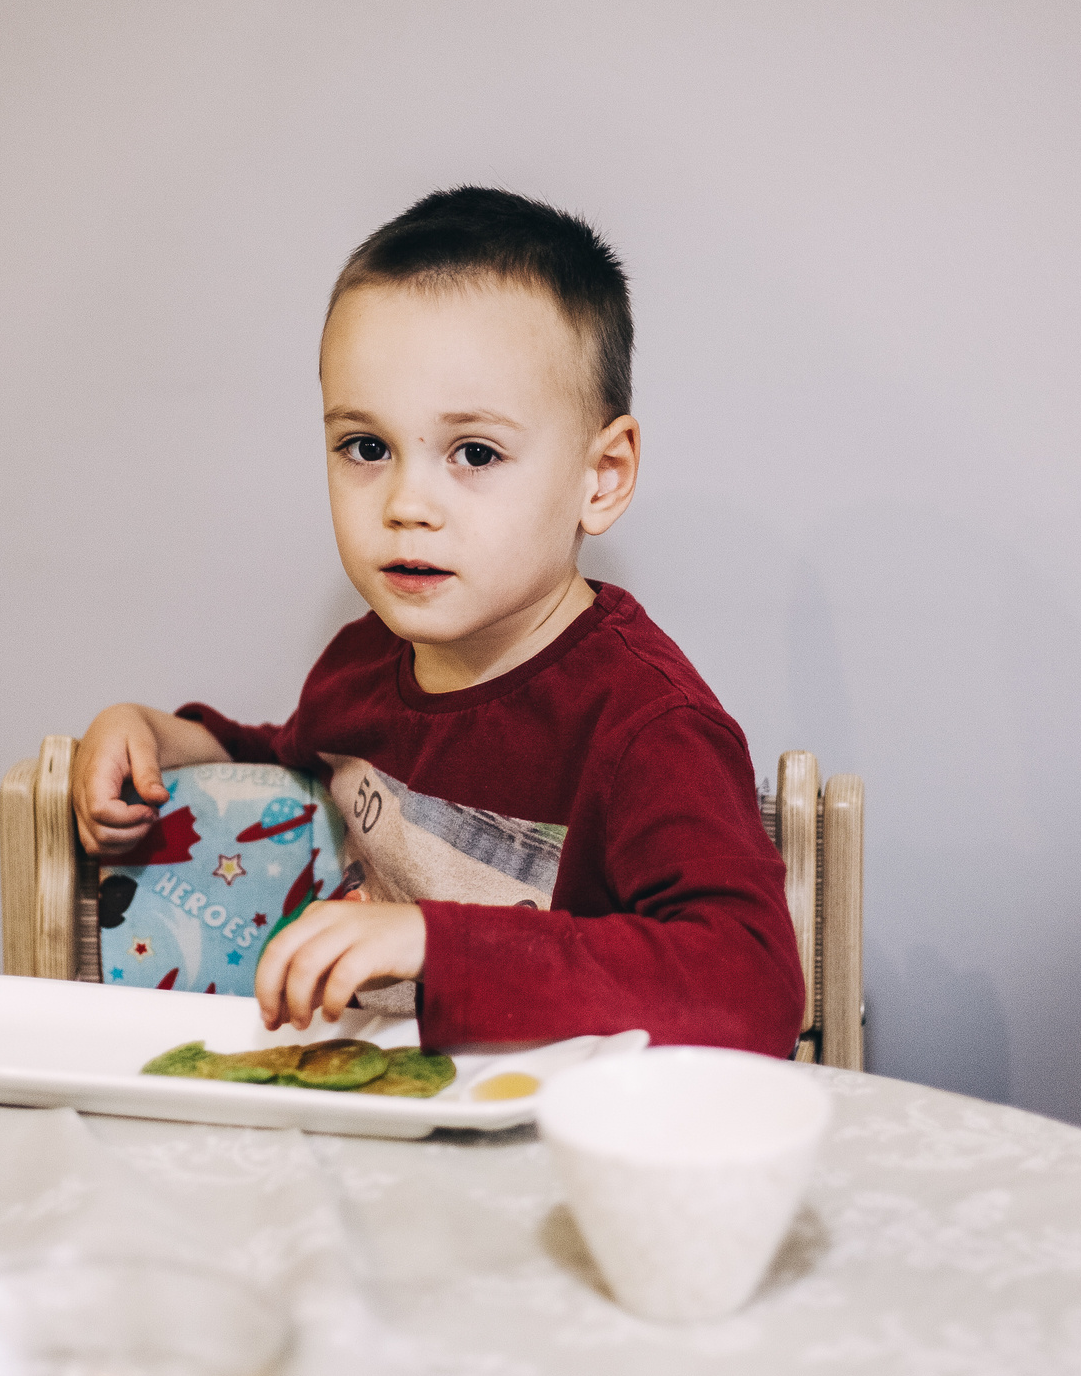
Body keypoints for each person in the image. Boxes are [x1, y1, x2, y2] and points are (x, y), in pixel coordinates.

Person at [72, 188, 804, 1055]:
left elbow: (751, 983)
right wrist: (159, 733)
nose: (406, 503)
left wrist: (429, 938)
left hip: (551, 1148)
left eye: (476, 453)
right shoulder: (362, 661)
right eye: (366, 447)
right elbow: (297, 756)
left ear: (601, 476)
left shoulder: (647, 728)